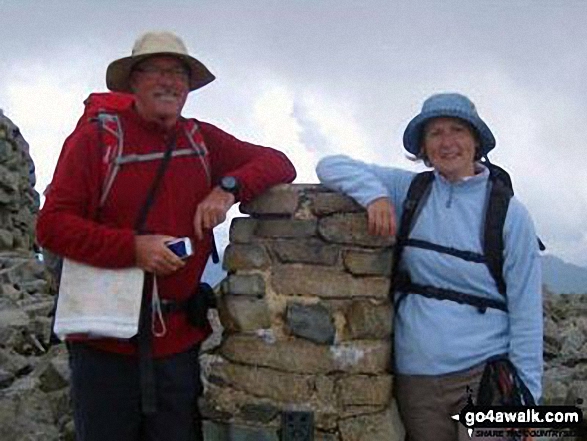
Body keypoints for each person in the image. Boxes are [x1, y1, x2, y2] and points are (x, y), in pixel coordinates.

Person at [36, 31, 296, 441]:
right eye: (155, 70)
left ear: (189, 86)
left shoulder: (201, 139)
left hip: (176, 344)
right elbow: (51, 225)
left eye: (178, 73)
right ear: (133, 81)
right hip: (103, 342)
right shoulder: (97, 140)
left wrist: (227, 186)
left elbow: (279, 163)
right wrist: (133, 249)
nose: (169, 81)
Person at [316, 93, 542, 441]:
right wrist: (374, 196)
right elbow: (330, 165)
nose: (447, 142)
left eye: (458, 131)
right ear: (423, 145)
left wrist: (529, 401)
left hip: (482, 375)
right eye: (435, 133)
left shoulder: (510, 215)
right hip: (416, 381)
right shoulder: (410, 191)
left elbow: (526, 311)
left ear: (476, 141)